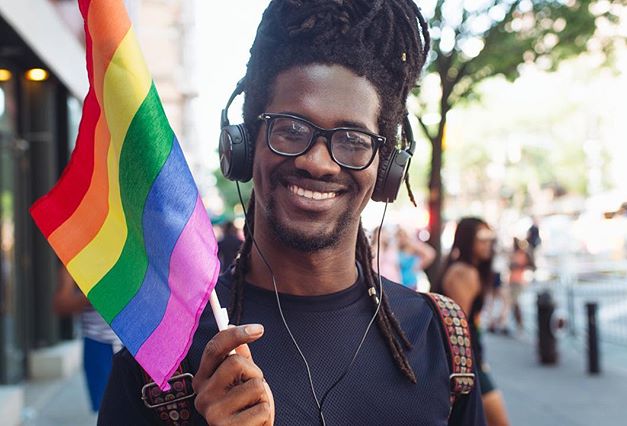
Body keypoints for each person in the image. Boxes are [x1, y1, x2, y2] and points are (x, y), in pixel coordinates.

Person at [99, 1, 486, 424]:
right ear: (244, 145)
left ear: (387, 169)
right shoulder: (163, 352)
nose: (318, 162)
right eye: (291, 129)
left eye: (353, 139)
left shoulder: (442, 337)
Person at [435, 218, 510, 426]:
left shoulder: (471, 270)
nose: (488, 244)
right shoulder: (463, 273)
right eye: (482, 239)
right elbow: (459, 329)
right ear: (468, 240)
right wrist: (472, 365)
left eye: (490, 238)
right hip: (465, 364)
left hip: (469, 362)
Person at [53, 267, 122, 412]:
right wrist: (93, 293)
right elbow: (61, 304)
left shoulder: (134, 248)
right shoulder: (77, 258)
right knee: (106, 410)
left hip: (135, 342)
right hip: (98, 343)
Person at [396, 226, 436, 290]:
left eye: (402, 236)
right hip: (398, 281)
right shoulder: (397, 248)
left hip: (410, 281)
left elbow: (430, 254)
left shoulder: (412, 247)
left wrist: (419, 265)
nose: (401, 238)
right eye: (399, 236)